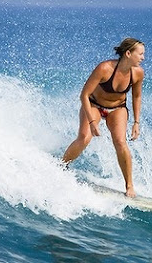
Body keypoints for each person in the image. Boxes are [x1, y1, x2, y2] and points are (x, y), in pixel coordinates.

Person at [62, 37, 145, 197]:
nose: (143, 58)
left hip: (117, 108)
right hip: (94, 105)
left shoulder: (138, 73)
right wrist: (93, 122)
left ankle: (129, 186)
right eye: (140, 54)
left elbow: (136, 97)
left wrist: (136, 122)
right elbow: (84, 95)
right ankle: (61, 166)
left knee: (121, 142)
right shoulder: (105, 68)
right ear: (128, 53)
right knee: (84, 138)